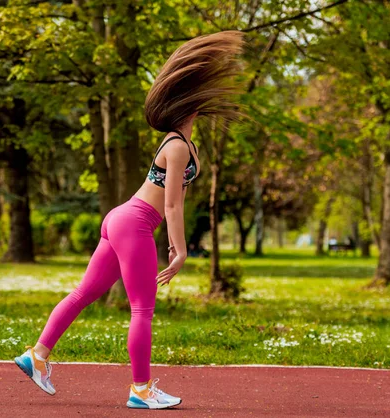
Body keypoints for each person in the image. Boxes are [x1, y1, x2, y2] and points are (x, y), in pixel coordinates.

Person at [13, 30, 245, 410]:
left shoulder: (186, 145)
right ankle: (140, 389)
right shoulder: (175, 146)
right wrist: (181, 251)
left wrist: (172, 242)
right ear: (187, 107)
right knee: (142, 309)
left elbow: (176, 201)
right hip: (134, 223)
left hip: (122, 220)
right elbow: (171, 206)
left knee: (84, 293)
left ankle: (36, 356)